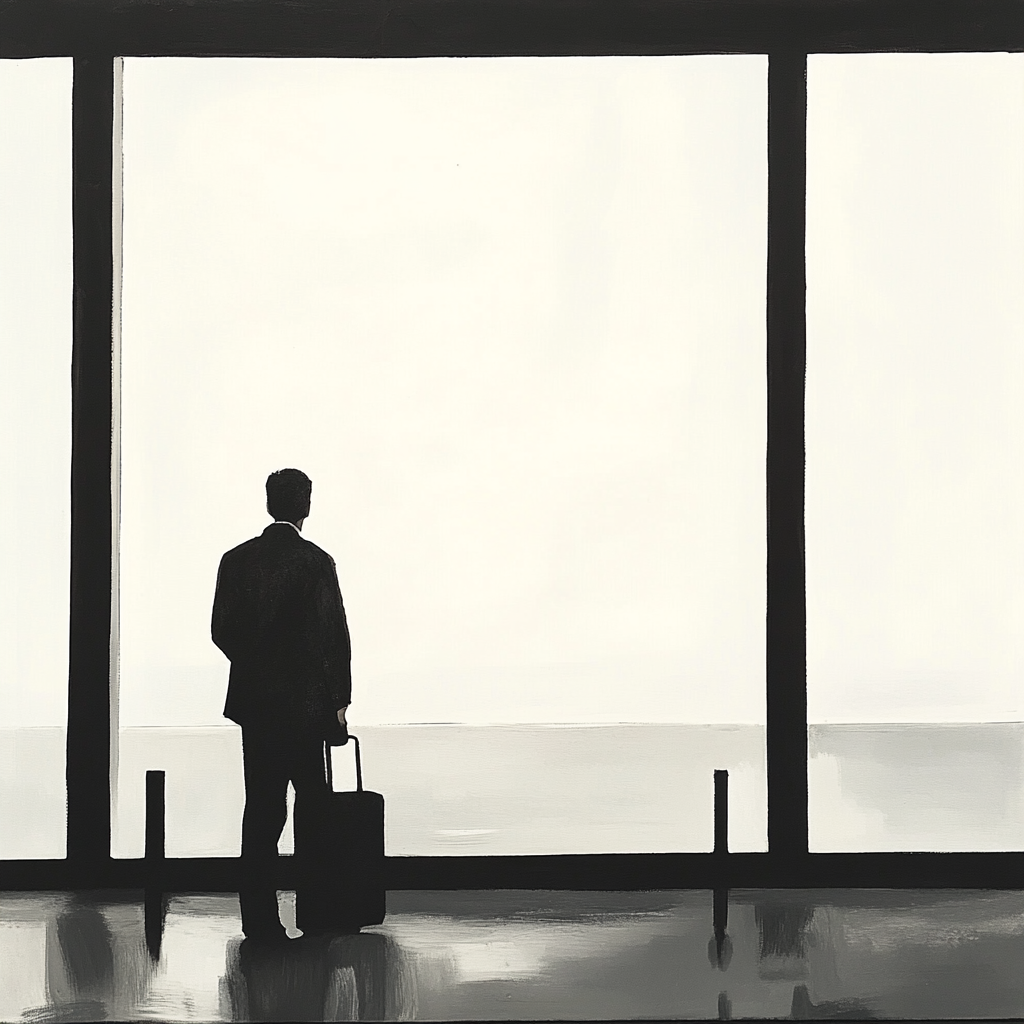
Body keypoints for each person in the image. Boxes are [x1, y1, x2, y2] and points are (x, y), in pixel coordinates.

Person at [212, 468, 352, 941]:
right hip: (307, 708)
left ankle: (259, 921)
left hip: (258, 708)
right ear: (305, 505)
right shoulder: (316, 563)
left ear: (269, 503)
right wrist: (338, 702)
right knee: (313, 811)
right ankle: (321, 912)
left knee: (263, 811)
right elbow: (335, 640)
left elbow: (221, 631)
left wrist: (258, 665)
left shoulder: (236, 561)